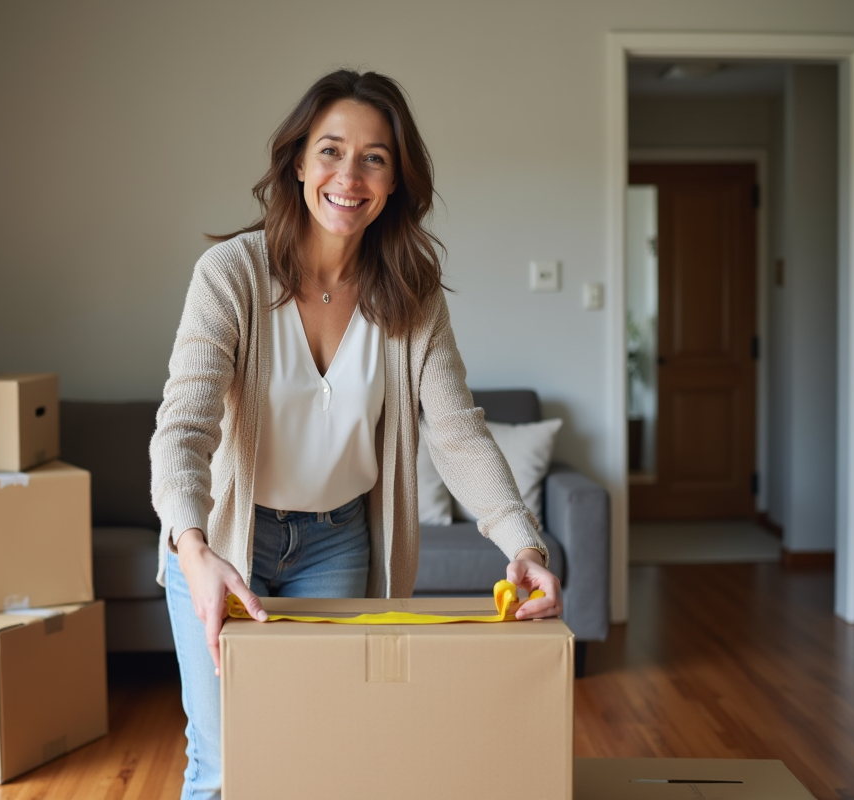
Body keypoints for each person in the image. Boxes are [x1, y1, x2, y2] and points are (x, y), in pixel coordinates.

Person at [150, 69, 562, 800]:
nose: (350, 174)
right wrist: (191, 548)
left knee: (320, 757)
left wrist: (523, 544)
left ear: (397, 179)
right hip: (218, 545)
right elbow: (183, 430)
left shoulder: (411, 293)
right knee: (222, 766)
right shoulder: (230, 276)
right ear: (299, 163)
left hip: (338, 545)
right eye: (332, 150)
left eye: (374, 156)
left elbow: (458, 433)